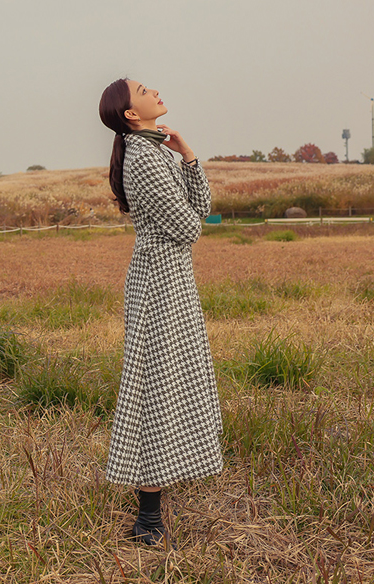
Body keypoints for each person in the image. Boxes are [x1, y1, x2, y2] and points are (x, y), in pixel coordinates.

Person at [98, 78, 223, 546]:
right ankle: (147, 518)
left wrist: (188, 155)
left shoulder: (157, 152)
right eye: (143, 89)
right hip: (158, 283)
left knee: (170, 383)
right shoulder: (144, 158)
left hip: (172, 279)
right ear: (131, 113)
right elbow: (190, 228)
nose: (154, 91)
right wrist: (185, 189)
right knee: (155, 389)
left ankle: (154, 502)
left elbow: (201, 207)